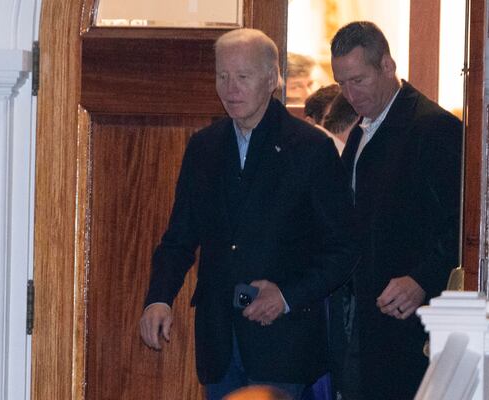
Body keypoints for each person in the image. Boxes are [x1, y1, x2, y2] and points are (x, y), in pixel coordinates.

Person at [139, 28, 358, 400]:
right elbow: (179, 238)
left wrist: (287, 296)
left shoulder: (310, 149)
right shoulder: (204, 147)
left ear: (272, 79)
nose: (230, 88)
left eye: (243, 76)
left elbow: (343, 249)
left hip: (284, 347)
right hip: (219, 343)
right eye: (222, 76)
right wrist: (158, 298)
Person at [328, 21, 462, 400]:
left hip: (409, 329)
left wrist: (421, 278)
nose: (349, 94)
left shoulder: (433, 128)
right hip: (364, 321)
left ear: (388, 66)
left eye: (358, 80)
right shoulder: (360, 130)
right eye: (341, 83)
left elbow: (463, 224)